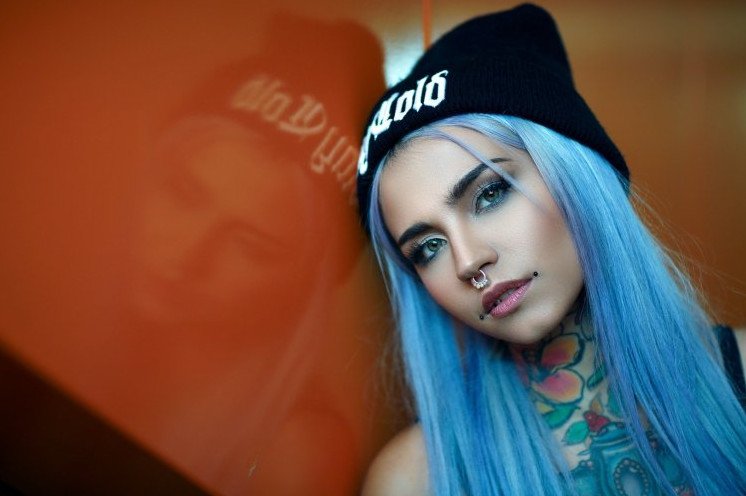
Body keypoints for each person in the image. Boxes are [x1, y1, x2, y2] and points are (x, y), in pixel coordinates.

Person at [355, 4, 746, 495]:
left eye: (490, 194)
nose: (468, 261)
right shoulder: (413, 481)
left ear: (577, 180)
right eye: (428, 247)